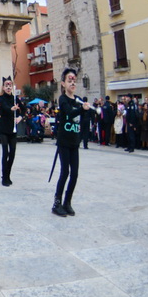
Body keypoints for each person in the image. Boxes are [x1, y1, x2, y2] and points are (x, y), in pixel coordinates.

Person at [51, 68, 90, 217]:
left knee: (74, 174)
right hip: (64, 141)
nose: (72, 83)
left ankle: (67, 202)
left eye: (74, 80)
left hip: (74, 141)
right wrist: (82, 109)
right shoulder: (63, 99)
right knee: (65, 172)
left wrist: (86, 111)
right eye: (69, 80)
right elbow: (69, 112)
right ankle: (57, 203)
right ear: (63, 83)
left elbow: (82, 119)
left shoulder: (78, 100)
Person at [0, 77, 22, 186]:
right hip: (3, 128)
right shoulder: (1, 98)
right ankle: (4, 176)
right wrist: (12, 108)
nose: (8, 87)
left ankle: (8, 175)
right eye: (6, 85)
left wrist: (20, 117)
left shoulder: (15, 99)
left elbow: (24, 109)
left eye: (10, 85)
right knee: (5, 152)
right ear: (3, 87)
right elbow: (5, 107)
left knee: (12, 153)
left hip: (12, 129)